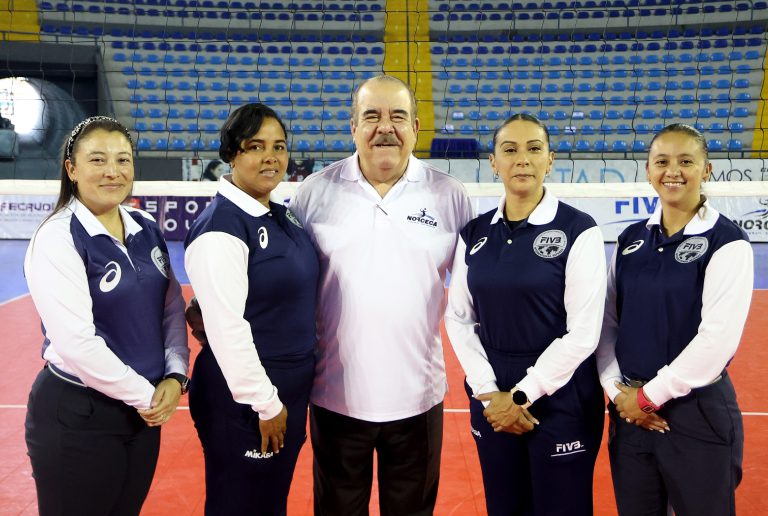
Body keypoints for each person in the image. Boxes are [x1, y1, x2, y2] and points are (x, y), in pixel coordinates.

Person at [288, 74, 474, 515]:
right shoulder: (314, 194)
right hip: (335, 397)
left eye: (398, 117)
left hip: (418, 399)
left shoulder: (449, 195)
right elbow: (284, 281)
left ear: (415, 128)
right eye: (371, 116)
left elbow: (473, 297)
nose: (384, 127)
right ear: (352, 127)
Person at [24, 116, 190, 516]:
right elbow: (77, 344)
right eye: (97, 160)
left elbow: (169, 307)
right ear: (72, 169)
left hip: (140, 416)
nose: (113, 171)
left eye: (123, 160)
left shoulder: (145, 227)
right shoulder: (58, 238)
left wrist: (175, 374)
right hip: (79, 414)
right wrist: (149, 397)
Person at [443, 113, 607, 515]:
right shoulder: (475, 232)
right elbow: (459, 318)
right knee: (504, 506)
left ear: (550, 159)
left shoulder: (578, 229)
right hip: (492, 400)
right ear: (493, 162)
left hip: (561, 396)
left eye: (534, 149)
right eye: (510, 150)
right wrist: (487, 393)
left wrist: (521, 396)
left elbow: (584, 333)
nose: (522, 160)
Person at [596, 123, 753, 516]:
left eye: (686, 161)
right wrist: (620, 395)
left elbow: (716, 341)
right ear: (648, 171)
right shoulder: (630, 240)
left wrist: (649, 398)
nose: (673, 171)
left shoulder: (727, 241)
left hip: (695, 412)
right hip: (630, 414)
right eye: (662, 161)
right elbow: (607, 325)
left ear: (707, 169)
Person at [184, 103, 319, 515]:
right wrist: (264, 402)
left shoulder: (281, 214)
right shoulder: (221, 227)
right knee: (237, 503)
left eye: (279, 147)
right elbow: (226, 328)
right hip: (248, 397)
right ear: (232, 154)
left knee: (269, 502)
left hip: (289, 390)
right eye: (255, 146)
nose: (271, 157)